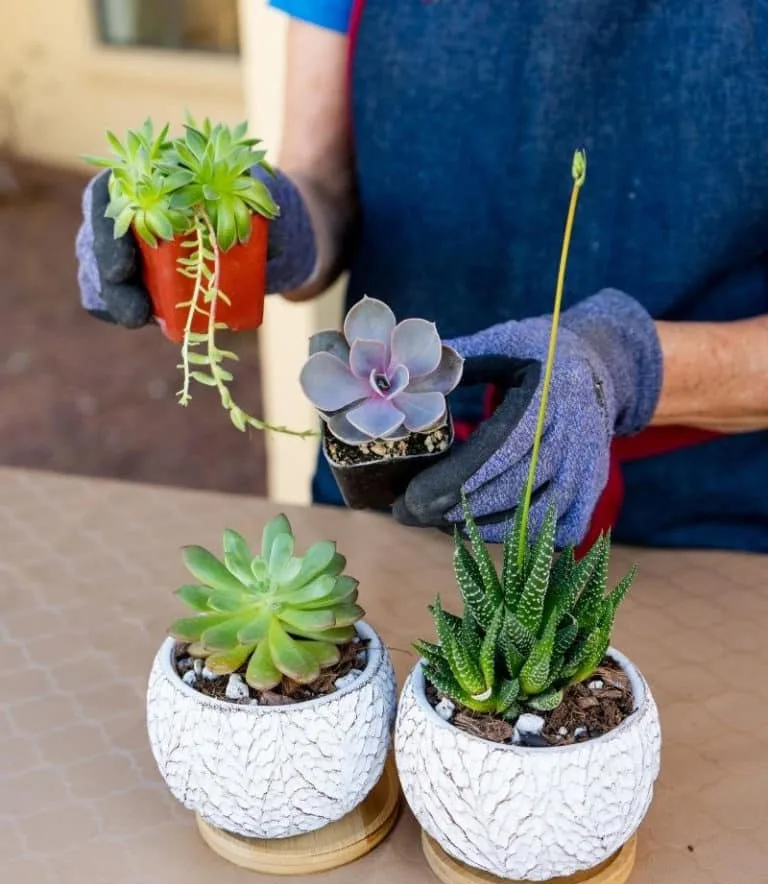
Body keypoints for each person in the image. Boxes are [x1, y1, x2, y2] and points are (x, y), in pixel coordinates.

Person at [76, 1, 768, 552]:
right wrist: (275, 229)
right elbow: (324, 182)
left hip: (699, 517)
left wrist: (626, 366)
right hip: (397, 469)